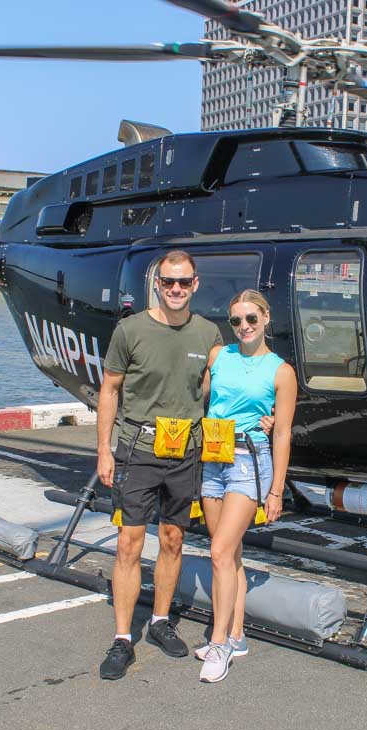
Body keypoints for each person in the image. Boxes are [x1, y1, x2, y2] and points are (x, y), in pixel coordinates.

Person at [95, 250, 224, 680]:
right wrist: (104, 450)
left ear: (195, 284)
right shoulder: (130, 330)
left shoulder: (208, 333)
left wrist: (264, 416)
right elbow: (109, 390)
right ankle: (122, 639)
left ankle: (160, 621)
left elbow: (222, 389)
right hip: (139, 448)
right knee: (129, 544)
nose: (176, 289)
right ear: (157, 284)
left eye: (184, 282)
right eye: (169, 281)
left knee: (172, 539)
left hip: (186, 451)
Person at [194, 290, 297, 683]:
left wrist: (276, 491)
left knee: (219, 551)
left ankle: (218, 643)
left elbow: (283, 433)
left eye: (251, 318)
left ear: (266, 318)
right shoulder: (219, 357)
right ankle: (236, 635)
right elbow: (199, 397)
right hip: (213, 455)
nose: (244, 326)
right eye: (236, 320)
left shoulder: (280, 371)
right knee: (230, 553)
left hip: (248, 461)